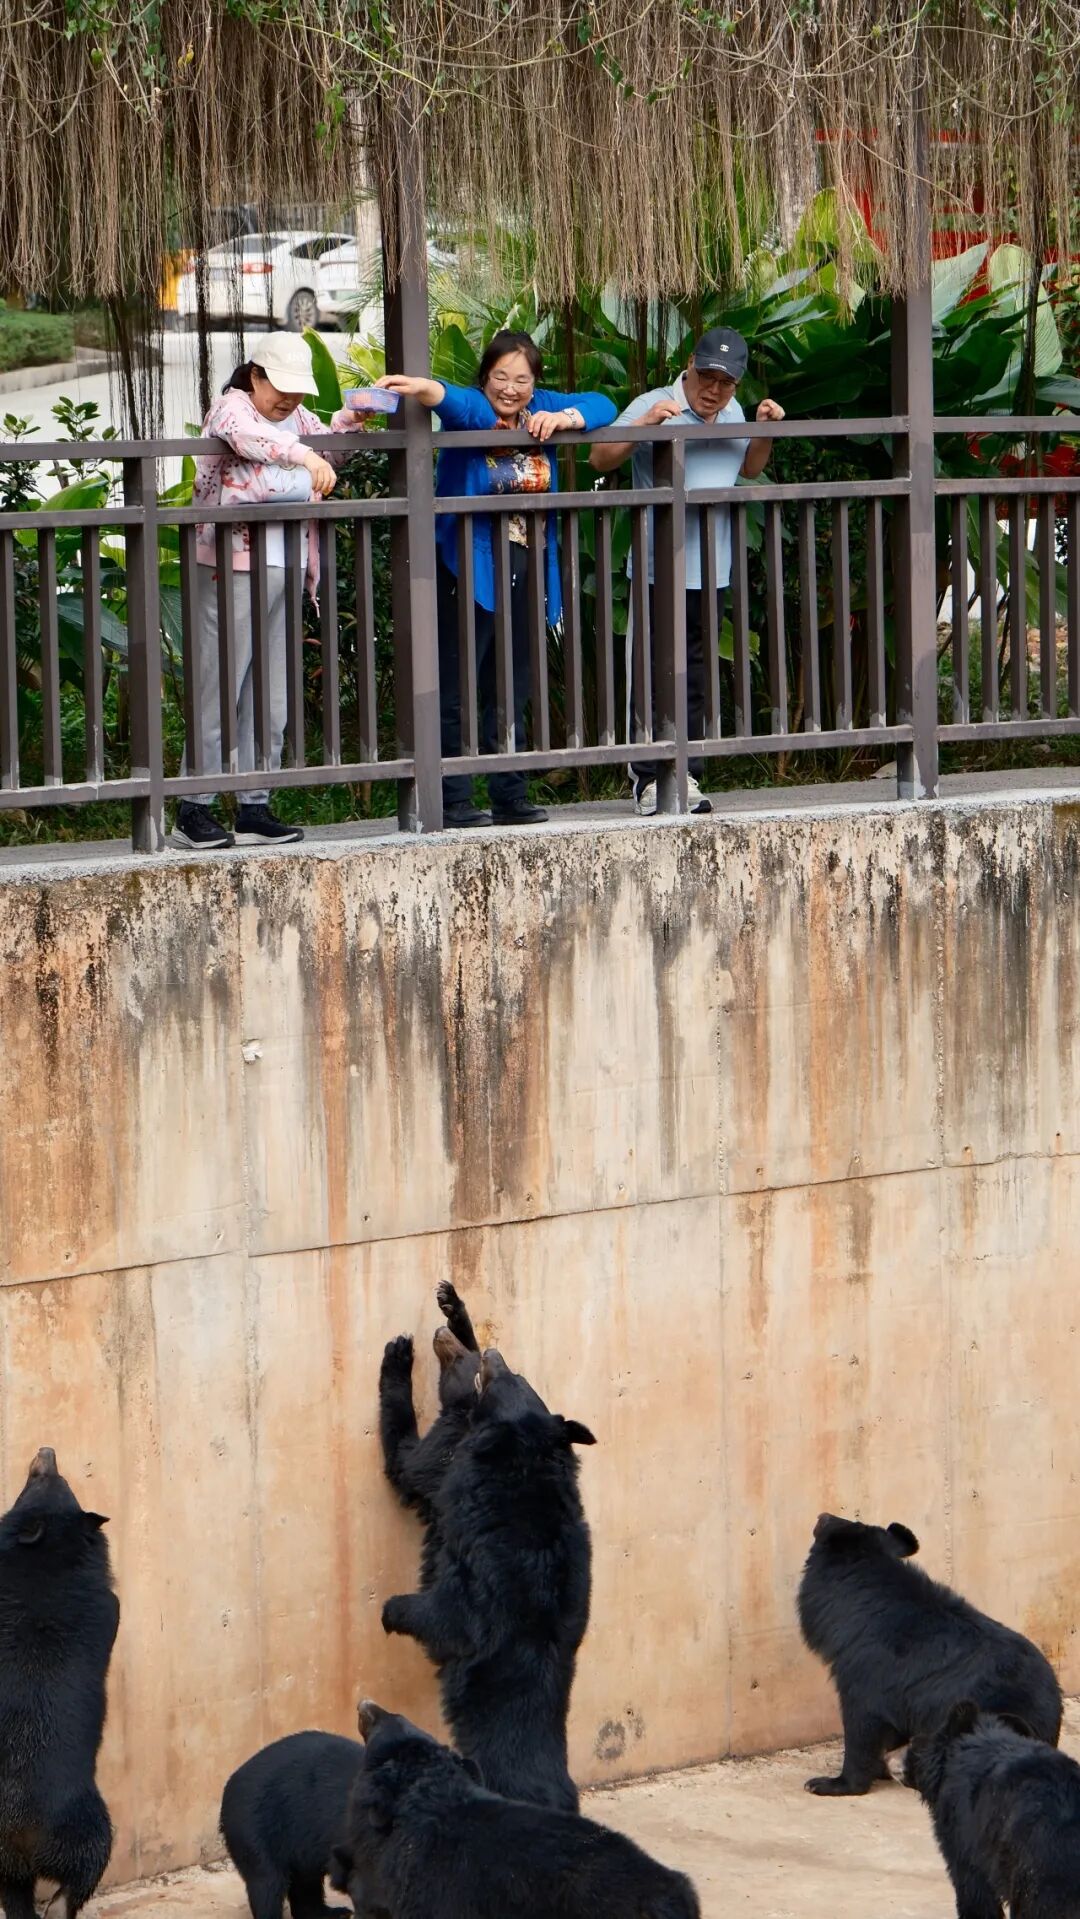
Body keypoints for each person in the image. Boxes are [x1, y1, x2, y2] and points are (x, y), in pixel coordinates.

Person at [377, 332, 617, 826]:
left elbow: (603, 404)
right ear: (485, 375)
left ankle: (510, 792)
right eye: (501, 377)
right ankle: (453, 796)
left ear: (535, 382)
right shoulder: (475, 406)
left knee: (514, 678)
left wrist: (566, 418)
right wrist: (422, 387)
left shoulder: (541, 405)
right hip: (468, 560)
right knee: (458, 678)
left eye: (521, 380)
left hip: (530, 558)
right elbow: (454, 402)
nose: (510, 389)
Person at [175, 333, 366, 850]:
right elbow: (251, 440)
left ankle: (254, 806)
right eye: (280, 386)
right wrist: (304, 457)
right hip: (232, 568)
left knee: (271, 691)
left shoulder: (298, 418)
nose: (290, 399)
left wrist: (348, 423)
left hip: (286, 566)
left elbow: (328, 454)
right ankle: (193, 806)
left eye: (297, 389)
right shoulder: (231, 408)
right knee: (220, 685)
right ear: (255, 376)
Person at [588, 326, 786, 815]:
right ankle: (647, 779)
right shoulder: (654, 402)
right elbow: (599, 457)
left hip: (712, 570)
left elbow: (750, 467)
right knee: (650, 673)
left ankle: (686, 774)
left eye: (726, 382)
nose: (714, 390)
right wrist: (645, 426)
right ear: (690, 364)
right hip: (657, 570)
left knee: (696, 675)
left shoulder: (734, 413)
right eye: (707, 376)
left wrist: (763, 429)